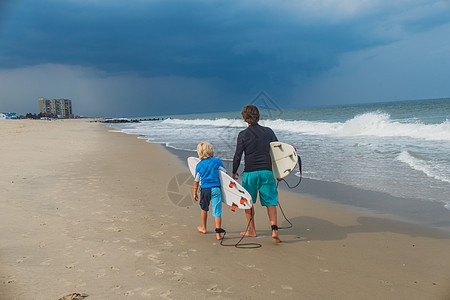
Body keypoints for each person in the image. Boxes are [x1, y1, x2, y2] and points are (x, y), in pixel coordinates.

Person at [232, 105, 281, 242]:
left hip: (250, 174)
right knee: (270, 201)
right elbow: (277, 151)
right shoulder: (268, 132)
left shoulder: (243, 135)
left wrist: (234, 172)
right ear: (258, 116)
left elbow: (237, 156)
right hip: (267, 172)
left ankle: (252, 230)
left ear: (244, 118)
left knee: (248, 202)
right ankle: (274, 229)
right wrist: (280, 172)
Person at [193, 142, 227, 240]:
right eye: (212, 150)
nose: (213, 151)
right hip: (216, 189)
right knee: (217, 211)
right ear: (208, 152)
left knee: (204, 208)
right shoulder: (217, 161)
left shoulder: (199, 165)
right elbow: (224, 173)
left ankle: (204, 228)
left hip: (205, 190)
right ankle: (218, 234)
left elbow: (196, 181)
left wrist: (194, 193)